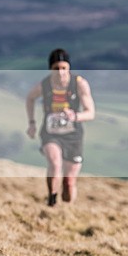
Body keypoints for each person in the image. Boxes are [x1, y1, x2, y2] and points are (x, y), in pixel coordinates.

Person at [26, 48, 95, 206]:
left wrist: (75, 116)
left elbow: (91, 113)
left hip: (73, 135)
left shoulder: (79, 84)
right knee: (55, 163)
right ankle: (51, 199)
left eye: (64, 67)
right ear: (51, 68)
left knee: (69, 183)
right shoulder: (44, 85)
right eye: (56, 68)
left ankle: (67, 206)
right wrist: (32, 123)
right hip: (50, 133)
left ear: (69, 67)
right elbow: (30, 98)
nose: (60, 72)